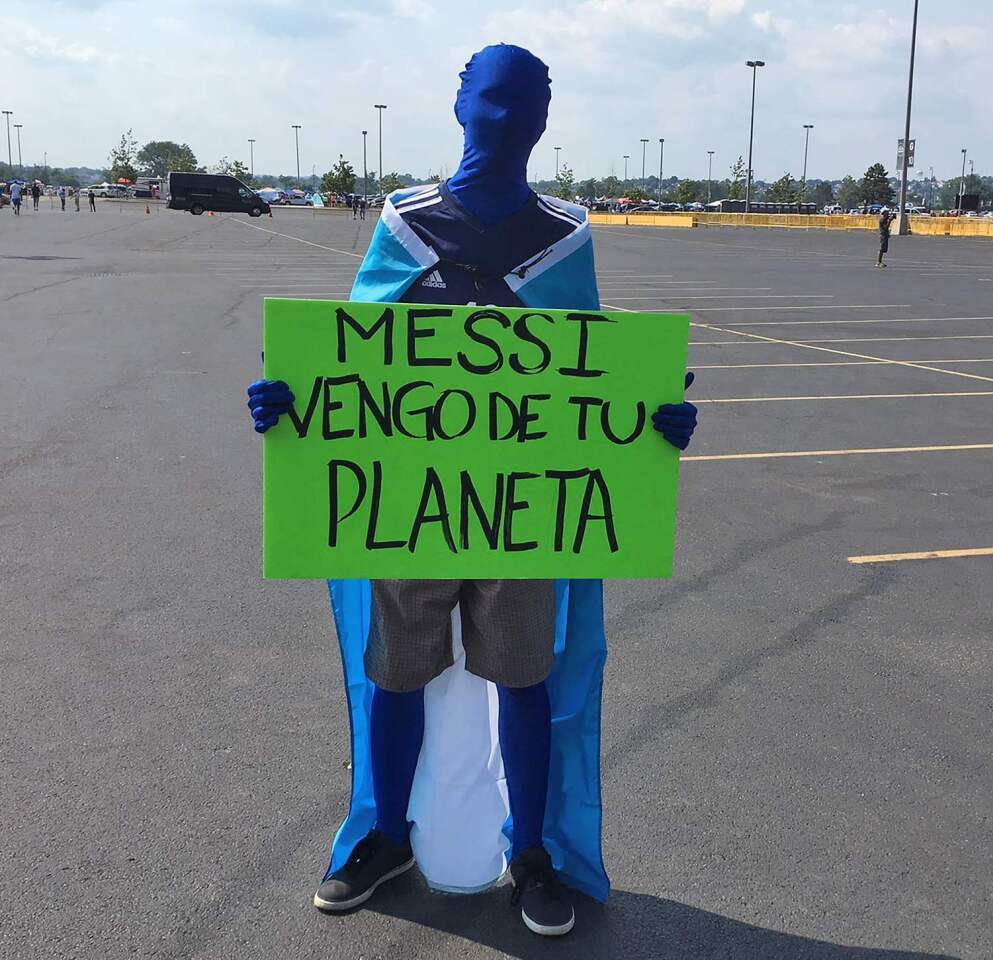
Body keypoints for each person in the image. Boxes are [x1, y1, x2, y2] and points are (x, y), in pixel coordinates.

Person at [245, 44, 698, 939]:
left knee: (527, 678)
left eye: (530, 99)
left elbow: (588, 376)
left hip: (521, 513)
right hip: (408, 508)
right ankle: (384, 837)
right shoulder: (405, 222)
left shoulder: (564, 234)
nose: (508, 114)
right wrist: (287, 398)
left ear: (544, 118)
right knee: (396, 676)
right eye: (492, 95)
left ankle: (530, 851)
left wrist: (653, 416)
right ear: (459, 104)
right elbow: (350, 352)